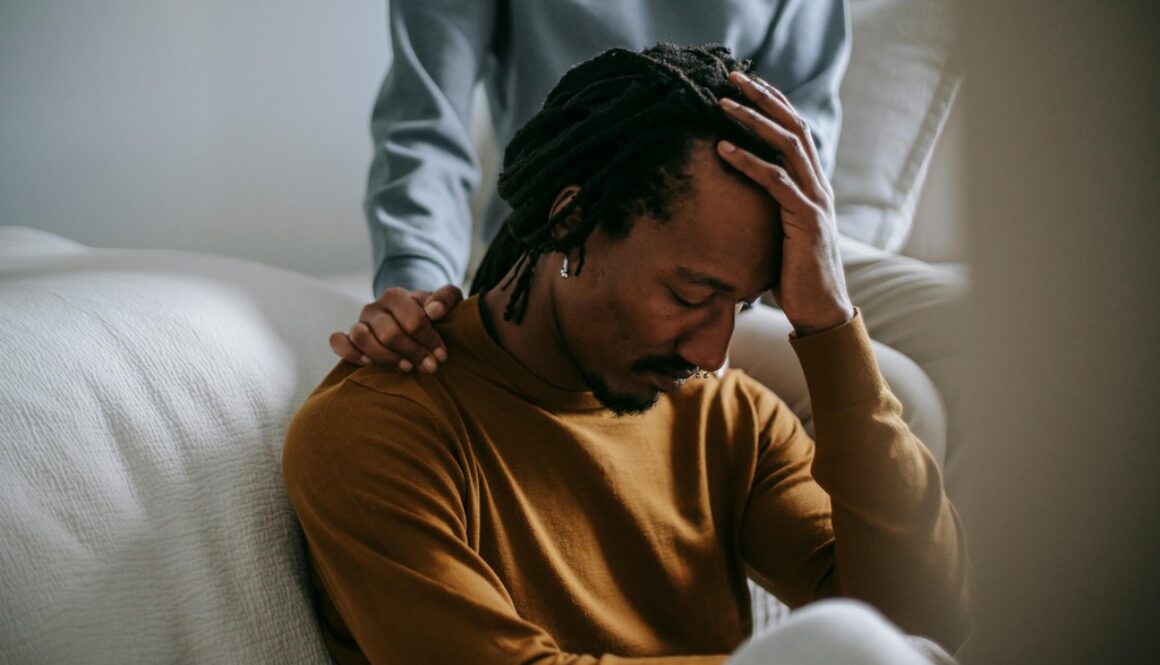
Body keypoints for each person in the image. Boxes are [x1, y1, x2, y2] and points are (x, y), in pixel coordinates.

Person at [284, 44, 971, 664]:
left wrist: (829, 321)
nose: (713, 350)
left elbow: (926, 619)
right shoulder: (377, 431)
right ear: (571, 219)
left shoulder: (731, 417)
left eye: (745, 303)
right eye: (689, 291)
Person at [331, 0, 961, 470]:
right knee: (904, 394)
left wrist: (806, 281)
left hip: (751, 240)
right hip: (585, 238)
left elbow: (805, 121)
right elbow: (425, 121)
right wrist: (416, 284)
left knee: (977, 331)